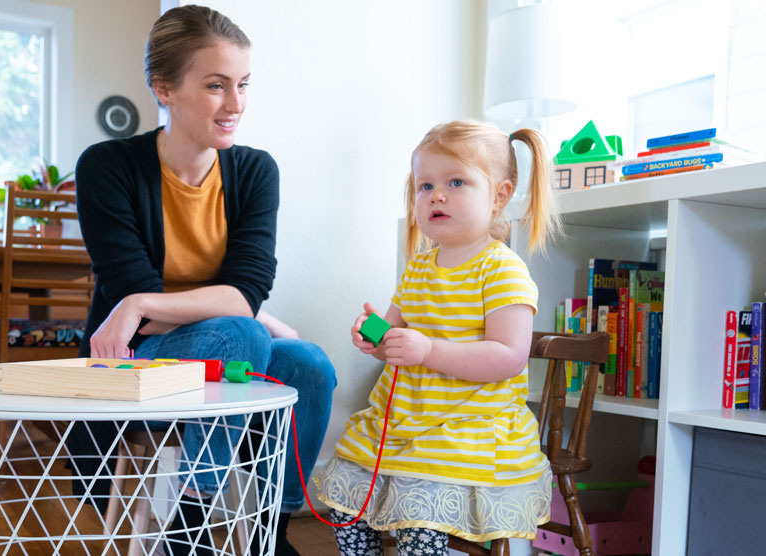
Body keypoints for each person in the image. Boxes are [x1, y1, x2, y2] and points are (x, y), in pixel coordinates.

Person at [72, 5, 336, 556]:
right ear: (163, 88)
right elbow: (147, 292)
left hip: (226, 346)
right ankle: (191, 525)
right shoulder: (107, 165)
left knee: (309, 364)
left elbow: (243, 290)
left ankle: (273, 530)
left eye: (243, 85)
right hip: (135, 360)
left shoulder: (256, 171)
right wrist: (232, 309)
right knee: (243, 334)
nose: (236, 104)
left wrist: (145, 299)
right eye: (217, 86)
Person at [313, 120, 561, 556]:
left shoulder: (502, 270)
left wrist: (427, 350)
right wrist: (375, 335)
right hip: (408, 415)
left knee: (419, 519)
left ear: (499, 196)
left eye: (456, 182)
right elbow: (396, 330)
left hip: (470, 422)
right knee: (344, 500)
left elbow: (509, 356)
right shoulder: (419, 268)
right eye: (425, 185)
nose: (436, 195)